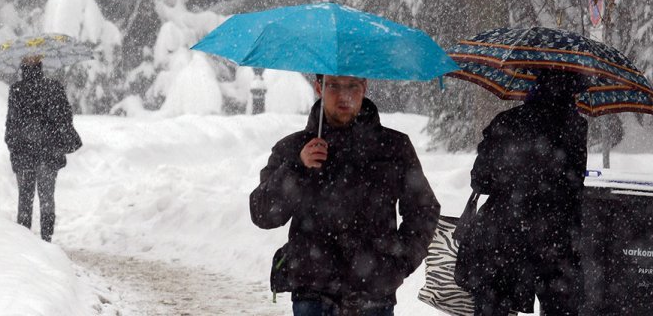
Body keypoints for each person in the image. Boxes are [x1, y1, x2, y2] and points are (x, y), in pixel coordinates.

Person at [250, 74, 440, 316]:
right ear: (319, 87)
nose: (344, 95)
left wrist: (397, 263)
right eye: (334, 86)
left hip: (374, 295)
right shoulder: (292, 148)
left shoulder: (394, 147)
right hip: (313, 293)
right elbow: (263, 214)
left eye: (353, 86)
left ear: (365, 87)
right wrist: (297, 166)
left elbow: (424, 210)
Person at [455, 70, 589, 316]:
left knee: (492, 306)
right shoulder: (577, 127)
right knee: (560, 306)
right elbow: (575, 185)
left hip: (503, 235)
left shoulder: (507, 121)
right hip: (556, 238)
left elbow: (480, 181)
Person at [5, 55, 82, 242]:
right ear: (41, 67)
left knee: (25, 199)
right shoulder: (54, 87)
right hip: (48, 153)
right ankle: (46, 239)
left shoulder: (16, 90)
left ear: (22, 68)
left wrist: (15, 145)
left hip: (24, 153)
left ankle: (24, 240)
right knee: (47, 197)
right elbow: (65, 118)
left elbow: (11, 125)